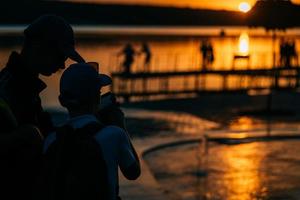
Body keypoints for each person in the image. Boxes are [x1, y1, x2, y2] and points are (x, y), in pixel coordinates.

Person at [0, 15, 84, 199]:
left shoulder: (28, 90)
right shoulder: (7, 88)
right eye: (60, 56)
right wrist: (17, 137)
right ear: (39, 47)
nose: (62, 64)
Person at [43, 63, 141, 200]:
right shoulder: (114, 134)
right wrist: (120, 125)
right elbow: (133, 172)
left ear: (62, 101)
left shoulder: (51, 140)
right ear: (98, 97)